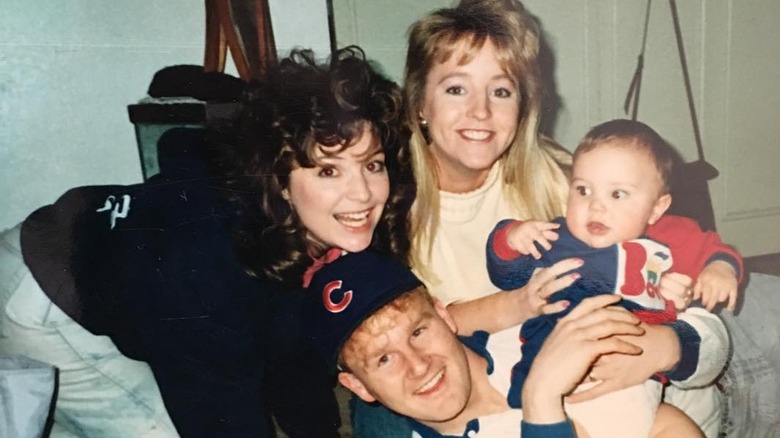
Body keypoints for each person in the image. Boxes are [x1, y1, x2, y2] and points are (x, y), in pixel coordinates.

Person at [352, 1, 731, 437]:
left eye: (501, 90)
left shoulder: (560, 178)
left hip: (681, 377)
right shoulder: (388, 209)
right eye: (457, 88)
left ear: (522, 106)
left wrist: (662, 346)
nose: (480, 111)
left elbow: (679, 261)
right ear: (419, 102)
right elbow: (406, 341)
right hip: (552, 392)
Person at [0, 46, 413, 437]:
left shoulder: (302, 227)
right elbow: (219, 410)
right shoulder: (208, 264)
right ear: (281, 182)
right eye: (328, 171)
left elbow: (289, 358)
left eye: (371, 164)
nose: (362, 194)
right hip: (45, 294)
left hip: (109, 274)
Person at [486, 119, 743, 437]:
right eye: (583, 190)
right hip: (546, 369)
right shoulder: (557, 238)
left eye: (617, 194)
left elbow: (715, 250)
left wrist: (720, 269)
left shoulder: (669, 237)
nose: (595, 205)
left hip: (629, 377)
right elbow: (506, 276)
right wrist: (511, 237)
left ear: (656, 208)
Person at [303, 250, 704, 437]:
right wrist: (541, 399)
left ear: (445, 316)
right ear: (358, 387)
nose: (419, 365)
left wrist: (671, 343)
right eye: (384, 359)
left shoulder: (528, 327)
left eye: (418, 332)